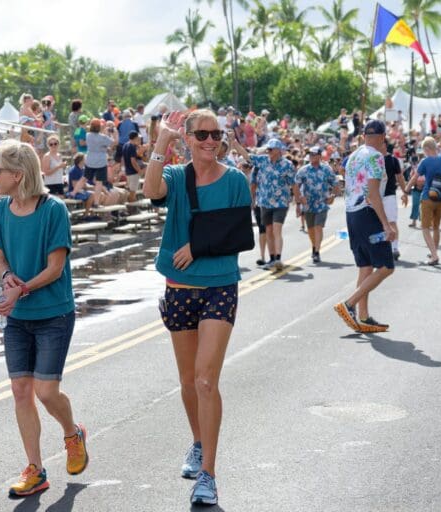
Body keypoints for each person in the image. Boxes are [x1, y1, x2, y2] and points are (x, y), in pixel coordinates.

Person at [143, 109, 251, 506]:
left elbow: (240, 233)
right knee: (188, 381)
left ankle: (208, 475)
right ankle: (197, 442)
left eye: (215, 134)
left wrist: (199, 246)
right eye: (201, 134)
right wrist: (161, 141)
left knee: (206, 380)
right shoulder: (175, 176)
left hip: (219, 285)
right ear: (187, 139)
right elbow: (149, 191)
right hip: (178, 288)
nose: (210, 141)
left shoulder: (235, 179)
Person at [0, 139, 89, 497]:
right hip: (18, 315)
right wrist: (5, 277)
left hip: (53, 313)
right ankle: (36, 468)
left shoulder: (53, 210)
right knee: (20, 391)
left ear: (18, 174)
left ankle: (73, 433)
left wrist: (21, 289)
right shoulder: (0, 210)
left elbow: (56, 268)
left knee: (46, 392)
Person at [334, 120, 395, 334]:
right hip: (367, 214)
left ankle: (363, 317)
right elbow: (373, 194)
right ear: (380, 136)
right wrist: (387, 225)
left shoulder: (354, 155)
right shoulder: (376, 156)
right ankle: (349, 305)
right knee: (387, 266)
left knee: (366, 266)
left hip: (352, 214)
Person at [234, 138, 295, 270]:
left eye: (271, 149)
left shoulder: (287, 165)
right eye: (268, 149)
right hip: (265, 202)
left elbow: (293, 183)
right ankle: (272, 258)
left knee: (276, 229)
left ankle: (278, 258)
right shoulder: (262, 161)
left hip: (281, 203)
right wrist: (234, 143)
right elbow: (246, 155)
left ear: (279, 150)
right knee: (268, 230)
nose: (268, 151)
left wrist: (299, 199)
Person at [406, 137, 441, 266]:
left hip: (427, 196)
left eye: (424, 150)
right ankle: (433, 251)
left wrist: (407, 188)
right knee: (436, 227)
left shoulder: (425, 161)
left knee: (424, 227)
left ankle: (434, 256)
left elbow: (415, 177)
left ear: (427, 149)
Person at [293, 146, 339, 263]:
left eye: (314, 154)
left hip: (322, 203)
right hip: (308, 204)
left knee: (318, 227)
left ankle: (317, 252)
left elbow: (335, 183)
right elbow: (296, 185)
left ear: (319, 156)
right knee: (311, 229)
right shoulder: (303, 170)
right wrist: (299, 200)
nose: (312, 157)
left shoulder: (326, 169)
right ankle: (314, 247)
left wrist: (332, 196)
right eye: (310, 155)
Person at [383, 144, 409, 260]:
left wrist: (405, 192)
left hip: (389, 195)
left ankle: (394, 248)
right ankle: (381, 248)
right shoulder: (373, 159)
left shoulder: (393, 160)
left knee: (391, 222)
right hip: (375, 196)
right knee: (377, 224)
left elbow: (400, 178)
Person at [85, 118, 116, 206]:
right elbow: (113, 143)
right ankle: (96, 202)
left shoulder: (88, 135)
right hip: (101, 162)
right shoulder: (103, 137)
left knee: (84, 178)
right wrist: (113, 134)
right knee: (99, 182)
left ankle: (74, 192)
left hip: (90, 160)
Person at [122, 131, 145, 202]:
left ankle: (132, 209)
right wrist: (139, 170)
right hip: (133, 172)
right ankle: (131, 209)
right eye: (138, 137)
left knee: (131, 192)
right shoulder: (131, 147)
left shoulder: (125, 145)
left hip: (128, 172)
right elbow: (133, 161)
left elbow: (123, 159)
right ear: (135, 138)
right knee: (132, 193)